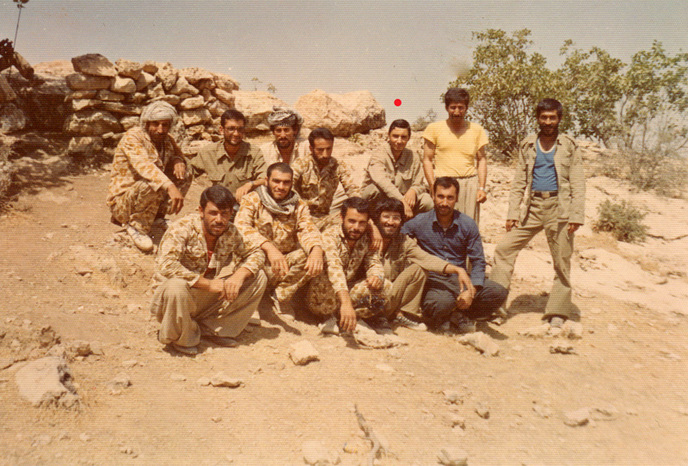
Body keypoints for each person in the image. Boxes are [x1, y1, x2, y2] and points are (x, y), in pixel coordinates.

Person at [491, 98, 585, 328]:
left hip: (559, 208)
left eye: (552, 117)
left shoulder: (569, 146)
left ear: (559, 119)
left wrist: (576, 215)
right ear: (538, 119)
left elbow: (578, 182)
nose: (548, 122)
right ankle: (494, 307)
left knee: (561, 260)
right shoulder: (528, 145)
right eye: (544, 117)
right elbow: (518, 181)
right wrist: (513, 212)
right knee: (504, 249)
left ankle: (558, 312)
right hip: (531, 208)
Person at [150, 186, 267, 355]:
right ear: (201, 211)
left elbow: (256, 253)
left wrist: (239, 275)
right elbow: (166, 264)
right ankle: (182, 338)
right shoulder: (182, 228)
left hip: (202, 294)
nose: (219, 219)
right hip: (173, 298)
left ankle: (213, 330)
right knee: (176, 287)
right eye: (213, 213)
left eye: (224, 214)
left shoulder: (230, 231)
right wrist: (208, 284)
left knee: (258, 276)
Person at [402, 177, 507, 332]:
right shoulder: (420, 221)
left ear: (457, 198)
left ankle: (461, 315)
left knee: (498, 292)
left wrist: (471, 291)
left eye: (450, 198)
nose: (444, 203)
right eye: (440, 196)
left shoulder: (467, 224)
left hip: (461, 279)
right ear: (433, 196)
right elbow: (399, 235)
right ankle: (446, 315)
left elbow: (478, 261)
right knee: (440, 304)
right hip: (435, 281)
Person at [234, 162, 324, 311]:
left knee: (310, 255)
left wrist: (316, 249)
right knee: (252, 260)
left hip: (281, 264)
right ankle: (249, 301)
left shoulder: (298, 205)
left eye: (286, 182)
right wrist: (269, 248)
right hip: (255, 260)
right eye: (276, 181)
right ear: (267, 180)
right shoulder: (252, 199)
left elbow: (307, 228)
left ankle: (280, 296)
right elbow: (241, 227)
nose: (281, 187)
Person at [374, 198, 473, 331]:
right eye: (386, 217)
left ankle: (402, 315)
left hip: (389, 297)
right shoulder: (369, 238)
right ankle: (376, 318)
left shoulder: (403, 241)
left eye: (396, 218)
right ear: (377, 219)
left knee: (419, 269)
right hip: (368, 296)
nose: (390, 222)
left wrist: (457, 270)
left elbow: (426, 259)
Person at [107, 101, 190, 252]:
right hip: (123, 203)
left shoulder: (167, 140)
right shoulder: (133, 137)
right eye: (155, 124)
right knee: (154, 183)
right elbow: (145, 166)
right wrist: (170, 186)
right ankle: (137, 226)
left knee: (185, 171)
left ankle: (157, 217)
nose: (160, 130)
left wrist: (178, 160)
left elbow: (179, 154)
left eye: (165, 125)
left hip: (148, 198)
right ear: (146, 123)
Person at [306, 197, 391, 333]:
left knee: (385, 286)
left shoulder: (366, 237)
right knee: (331, 282)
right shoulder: (330, 236)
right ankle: (328, 317)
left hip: (346, 292)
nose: (356, 227)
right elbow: (335, 269)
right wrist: (346, 303)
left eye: (362, 223)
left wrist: (376, 276)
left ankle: (347, 317)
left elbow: (374, 261)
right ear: (341, 218)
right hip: (323, 296)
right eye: (351, 221)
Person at [422, 88, 488, 223]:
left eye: (461, 107)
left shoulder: (477, 130)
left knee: (468, 225)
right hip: (443, 184)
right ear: (446, 108)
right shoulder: (434, 129)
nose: (457, 112)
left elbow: (481, 159)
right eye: (453, 107)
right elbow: (427, 160)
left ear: (466, 108)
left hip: (469, 184)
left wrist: (481, 187)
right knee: (442, 225)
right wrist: (432, 186)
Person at [189, 109, 266, 203]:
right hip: (219, 205)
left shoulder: (253, 152)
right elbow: (188, 172)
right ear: (221, 130)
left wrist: (250, 184)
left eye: (240, 129)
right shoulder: (208, 153)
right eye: (231, 129)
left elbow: (265, 179)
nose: (236, 133)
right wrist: (178, 160)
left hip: (244, 205)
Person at [291, 127, 361, 230]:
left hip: (324, 217)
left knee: (353, 225)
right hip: (301, 216)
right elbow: (288, 186)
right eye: (320, 150)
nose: (325, 154)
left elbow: (353, 190)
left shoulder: (338, 166)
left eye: (329, 149)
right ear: (311, 148)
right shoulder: (301, 164)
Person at [362, 119, 432, 218]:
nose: (399, 141)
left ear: (408, 138)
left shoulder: (413, 156)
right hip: (383, 200)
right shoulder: (379, 154)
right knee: (374, 190)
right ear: (389, 136)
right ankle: (372, 220)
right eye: (395, 136)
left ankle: (411, 224)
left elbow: (419, 183)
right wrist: (401, 200)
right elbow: (381, 181)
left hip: (404, 200)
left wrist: (413, 190)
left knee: (427, 200)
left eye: (403, 137)